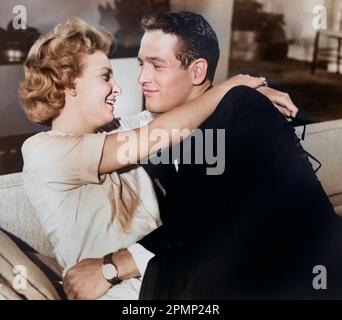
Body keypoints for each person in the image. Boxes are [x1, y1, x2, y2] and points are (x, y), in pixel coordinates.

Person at [63, 12, 342, 299]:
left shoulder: (243, 106)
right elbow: (83, 140)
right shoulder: (159, 128)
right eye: (141, 64)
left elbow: (215, 213)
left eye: (157, 66)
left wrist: (112, 267)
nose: (142, 78)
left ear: (197, 72)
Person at [19, 17, 269, 300]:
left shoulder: (115, 132)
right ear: (70, 83)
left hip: (166, 275)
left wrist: (252, 92)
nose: (119, 88)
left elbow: (186, 107)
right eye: (105, 76)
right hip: (121, 293)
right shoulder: (44, 151)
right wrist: (231, 88)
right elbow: (161, 131)